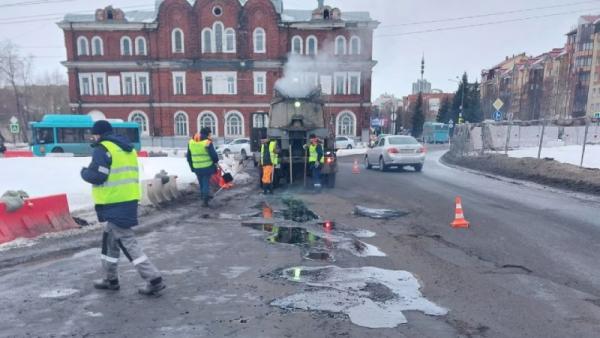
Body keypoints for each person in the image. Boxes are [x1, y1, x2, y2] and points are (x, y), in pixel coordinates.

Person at [80, 120, 165, 296]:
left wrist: (84, 173)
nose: (92, 137)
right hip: (128, 199)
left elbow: (98, 176)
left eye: (93, 134)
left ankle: (153, 278)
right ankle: (110, 278)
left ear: (99, 134)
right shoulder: (126, 148)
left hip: (113, 202)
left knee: (127, 241)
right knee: (110, 240)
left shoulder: (103, 149)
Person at [187, 127, 219, 206]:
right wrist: (215, 161)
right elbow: (213, 155)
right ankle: (205, 200)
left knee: (201, 182)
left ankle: (203, 196)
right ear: (207, 133)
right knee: (205, 183)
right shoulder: (207, 142)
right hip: (207, 166)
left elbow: (188, 157)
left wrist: (192, 167)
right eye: (210, 134)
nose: (210, 135)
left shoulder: (191, 142)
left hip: (196, 167)